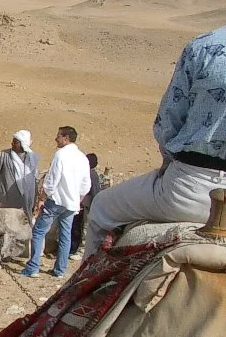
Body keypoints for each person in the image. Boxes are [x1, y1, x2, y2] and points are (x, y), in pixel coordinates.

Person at [84, 26, 226, 258]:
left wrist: (168, 159)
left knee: (101, 207)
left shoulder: (205, 46)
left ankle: (85, 289)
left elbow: (169, 120)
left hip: (188, 190)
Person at [21, 126, 91, 279]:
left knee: (39, 232)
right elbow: (86, 184)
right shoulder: (82, 158)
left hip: (56, 201)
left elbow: (52, 180)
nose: (56, 139)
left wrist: (42, 197)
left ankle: (33, 267)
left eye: (58, 136)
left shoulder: (60, 155)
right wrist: (77, 199)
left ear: (66, 138)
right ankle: (60, 270)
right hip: (71, 204)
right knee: (65, 235)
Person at [0, 130, 39, 218]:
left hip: (25, 197)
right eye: (13, 141)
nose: (12, 144)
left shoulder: (32, 157)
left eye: (15, 142)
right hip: (7, 196)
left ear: (23, 144)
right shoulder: (4, 155)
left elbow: (34, 176)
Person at [69, 152, 102, 259]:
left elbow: (95, 192)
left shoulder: (91, 175)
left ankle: (82, 250)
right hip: (83, 205)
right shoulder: (86, 173)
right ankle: (74, 248)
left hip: (88, 206)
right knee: (78, 227)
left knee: (86, 228)